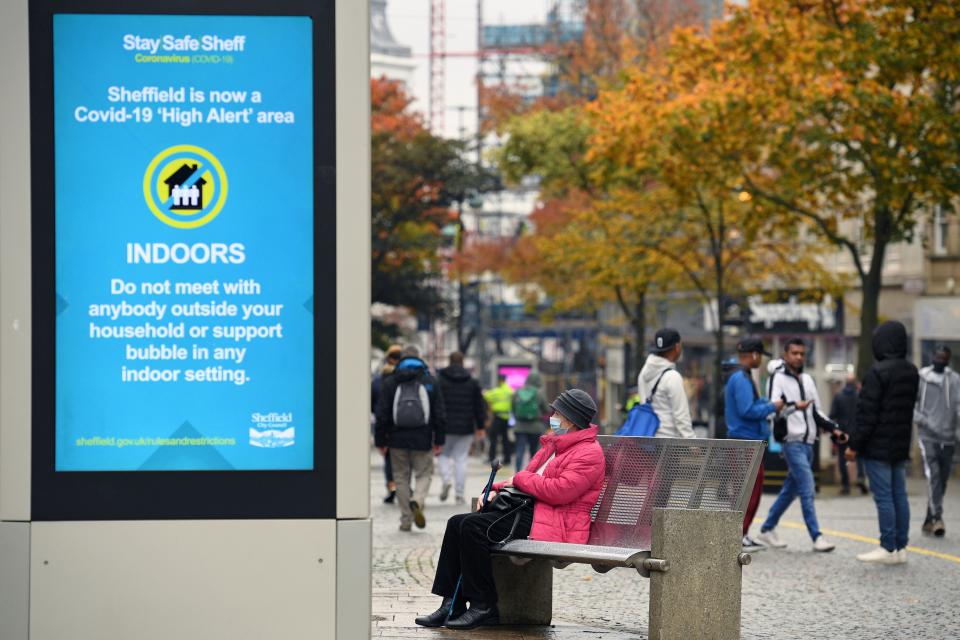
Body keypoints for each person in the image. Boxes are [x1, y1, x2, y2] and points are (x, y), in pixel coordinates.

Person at [415, 389, 605, 630]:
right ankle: (450, 603)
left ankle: (484, 605)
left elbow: (559, 491)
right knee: (456, 522)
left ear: (572, 419)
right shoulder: (555, 446)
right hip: (532, 511)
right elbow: (522, 479)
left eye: (557, 413)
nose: (552, 417)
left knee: (473, 527)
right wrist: (494, 488)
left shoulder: (589, 453)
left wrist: (520, 481)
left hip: (557, 521)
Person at [757, 338, 845, 553]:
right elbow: (773, 410)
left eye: (802, 354)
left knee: (790, 490)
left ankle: (766, 529)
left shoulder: (807, 379)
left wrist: (833, 429)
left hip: (808, 442)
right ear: (785, 355)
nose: (798, 357)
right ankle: (817, 536)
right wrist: (794, 406)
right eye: (794, 353)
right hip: (791, 442)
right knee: (807, 488)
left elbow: (816, 411)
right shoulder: (777, 379)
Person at [848, 321, 919, 564]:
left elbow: (867, 415)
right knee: (900, 494)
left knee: (884, 497)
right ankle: (901, 547)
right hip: (900, 444)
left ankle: (887, 546)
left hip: (878, 446)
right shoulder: (911, 371)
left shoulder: (878, 373)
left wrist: (854, 445)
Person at [375, 345, 446, 532]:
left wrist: (380, 441)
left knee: (400, 478)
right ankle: (418, 500)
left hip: (396, 439)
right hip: (423, 438)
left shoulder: (391, 382)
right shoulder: (430, 381)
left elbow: (381, 414)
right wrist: (439, 440)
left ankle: (406, 519)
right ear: (419, 358)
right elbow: (439, 414)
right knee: (424, 474)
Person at [724, 337, 783, 551]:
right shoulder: (741, 378)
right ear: (755, 355)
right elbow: (746, 411)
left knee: (748, 490)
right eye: (760, 355)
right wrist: (771, 407)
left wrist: (765, 403)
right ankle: (739, 535)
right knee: (749, 491)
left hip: (745, 442)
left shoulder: (740, 376)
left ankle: (742, 533)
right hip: (744, 442)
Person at [914, 345, 959, 536]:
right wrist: (924, 421)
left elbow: (958, 405)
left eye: (944, 358)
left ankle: (927, 519)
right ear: (932, 357)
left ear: (948, 360)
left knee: (942, 480)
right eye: (937, 357)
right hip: (928, 436)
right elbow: (912, 405)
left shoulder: (954, 380)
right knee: (933, 476)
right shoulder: (921, 378)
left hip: (948, 438)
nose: (940, 361)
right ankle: (937, 518)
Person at [437, 352, 487, 505]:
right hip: (465, 426)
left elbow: (436, 405)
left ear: (449, 361)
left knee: (443, 456)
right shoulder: (472, 382)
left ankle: (446, 480)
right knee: (461, 459)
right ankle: (459, 494)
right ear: (462, 362)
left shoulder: (440, 381)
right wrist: (480, 426)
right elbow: (479, 406)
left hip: (444, 426)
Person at [637, 328, 695, 439]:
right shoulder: (672, 377)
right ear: (677, 347)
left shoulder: (644, 373)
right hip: (668, 442)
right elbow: (681, 415)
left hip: (647, 438)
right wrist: (692, 442)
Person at [371, 344, 402, 503]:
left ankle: (391, 486)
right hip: (402, 424)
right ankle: (403, 486)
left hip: (383, 423)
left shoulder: (378, 380)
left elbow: (372, 404)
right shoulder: (404, 379)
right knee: (402, 458)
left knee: (388, 458)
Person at [830, 372, 868, 495]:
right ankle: (861, 478)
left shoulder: (838, 397)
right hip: (857, 431)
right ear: (855, 382)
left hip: (842, 432)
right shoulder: (860, 396)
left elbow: (832, 415)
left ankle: (845, 485)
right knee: (860, 456)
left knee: (842, 458)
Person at [512, 371, 550, 470]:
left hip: (519, 427)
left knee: (519, 450)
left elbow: (513, 408)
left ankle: (517, 472)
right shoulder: (539, 393)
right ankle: (531, 473)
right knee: (534, 452)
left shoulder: (518, 392)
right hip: (535, 427)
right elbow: (546, 409)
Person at [484, 375, 514, 467]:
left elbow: (486, 396)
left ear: (499, 380)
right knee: (505, 439)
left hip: (497, 417)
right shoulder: (510, 391)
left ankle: (491, 457)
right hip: (506, 417)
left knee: (493, 437)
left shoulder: (497, 391)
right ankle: (507, 459)